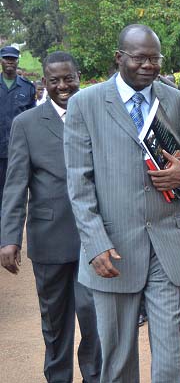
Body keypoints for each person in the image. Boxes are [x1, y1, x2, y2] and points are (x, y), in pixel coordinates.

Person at [64, 24, 180, 382]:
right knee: (119, 357)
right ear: (119, 58)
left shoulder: (176, 101)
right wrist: (95, 244)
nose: (149, 65)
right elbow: (79, 183)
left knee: (172, 357)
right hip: (112, 250)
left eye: (155, 58)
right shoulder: (86, 104)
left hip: (168, 243)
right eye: (140, 57)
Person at [0, 51, 102, 383]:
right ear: (44, 82)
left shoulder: (97, 117)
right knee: (56, 324)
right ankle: (58, 378)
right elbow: (15, 185)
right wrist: (9, 238)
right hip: (50, 239)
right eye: (54, 80)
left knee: (93, 317)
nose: (63, 86)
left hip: (95, 241)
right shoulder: (26, 124)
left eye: (68, 78)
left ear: (78, 77)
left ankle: (95, 377)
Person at [0, 46, 36, 231]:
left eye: (13, 59)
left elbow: (33, 120)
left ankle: (11, 231)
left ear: (17, 61)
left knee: (16, 192)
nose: (9, 62)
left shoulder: (27, 88)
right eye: (6, 58)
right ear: (1, 60)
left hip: (18, 151)